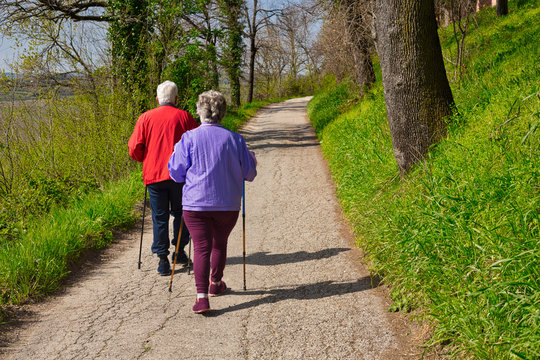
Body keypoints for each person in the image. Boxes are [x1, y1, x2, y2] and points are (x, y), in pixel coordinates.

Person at [168, 90, 257, 313]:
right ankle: (216, 284)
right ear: (222, 113)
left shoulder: (188, 138)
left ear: (199, 112)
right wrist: (252, 158)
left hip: (195, 205)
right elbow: (249, 173)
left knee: (201, 248)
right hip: (228, 204)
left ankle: (202, 297)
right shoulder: (236, 139)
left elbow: (176, 174)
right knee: (220, 242)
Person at [128, 80, 199, 276]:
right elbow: (196, 144)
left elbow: (134, 148)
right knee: (181, 213)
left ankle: (162, 259)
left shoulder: (145, 118)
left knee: (159, 217)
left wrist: (144, 157)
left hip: (154, 175)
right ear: (176, 98)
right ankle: (179, 251)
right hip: (180, 176)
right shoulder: (184, 117)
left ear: (157, 98)